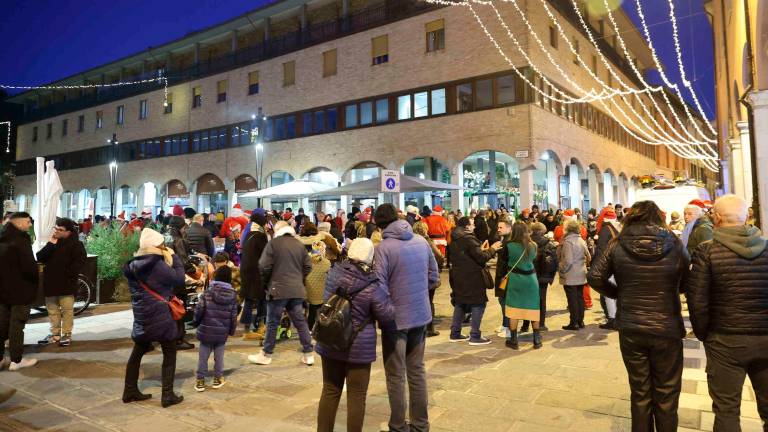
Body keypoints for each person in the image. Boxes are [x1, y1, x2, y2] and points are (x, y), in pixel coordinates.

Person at [588, 201, 687, 432]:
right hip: (666, 327)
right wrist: (673, 289)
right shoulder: (674, 242)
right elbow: (688, 276)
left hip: (632, 328)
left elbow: (594, 276)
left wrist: (618, 293)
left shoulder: (618, 243)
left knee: (640, 391)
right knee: (667, 392)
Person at [685, 194, 768, 430]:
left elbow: (697, 301)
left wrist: (705, 335)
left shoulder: (707, 251)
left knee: (727, 410)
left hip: (725, 340)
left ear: (718, 218)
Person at [315, 238, 395, 432]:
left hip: (331, 338)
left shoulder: (333, 273)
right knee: (357, 395)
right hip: (358, 345)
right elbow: (386, 315)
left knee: (330, 390)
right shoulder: (372, 284)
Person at [373, 203, 439, 432]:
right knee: (417, 371)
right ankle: (421, 425)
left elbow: (379, 287)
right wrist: (420, 293)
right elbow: (434, 276)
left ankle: (398, 426)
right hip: (420, 315)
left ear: (380, 225)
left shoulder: (384, 248)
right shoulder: (421, 241)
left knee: (395, 375)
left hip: (395, 319)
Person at [123, 228, 186, 407]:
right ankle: (167, 395)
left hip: (142, 314)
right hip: (160, 315)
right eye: (162, 244)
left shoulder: (135, 264)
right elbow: (179, 279)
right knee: (169, 352)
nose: (164, 247)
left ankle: (129, 390)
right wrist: (175, 258)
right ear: (156, 246)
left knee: (138, 351)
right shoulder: (156, 264)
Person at [249, 221, 314, 366]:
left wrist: (267, 283)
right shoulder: (299, 245)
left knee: (273, 322)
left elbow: (263, 266)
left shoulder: (273, 244)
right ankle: (308, 354)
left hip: (277, 289)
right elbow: (308, 266)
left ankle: (266, 354)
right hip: (297, 290)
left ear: (278, 230)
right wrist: (298, 277)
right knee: (300, 323)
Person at [36, 217, 87, 347]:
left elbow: (80, 262)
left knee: (67, 310)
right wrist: (50, 244)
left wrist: (68, 273)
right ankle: (55, 333)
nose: (57, 231)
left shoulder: (76, 244)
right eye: (56, 228)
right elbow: (40, 257)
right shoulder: (53, 242)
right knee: (52, 310)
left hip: (66, 283)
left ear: (68, 232)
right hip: (51, 282)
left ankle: (67, 333)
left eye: (60, 229)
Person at [447, 216, 499, 345]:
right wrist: (493, 249)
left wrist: (479, 249)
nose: (474, 226)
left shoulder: (454, 237)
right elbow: (481, 258)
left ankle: (455, 333)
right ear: (466, 226)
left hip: (458, 275)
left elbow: (466, 255)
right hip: (472, 276)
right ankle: (475, 335)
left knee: (460, 302)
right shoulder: (469, 239)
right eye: (472, 224)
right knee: (479, 303)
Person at [0, 212, 39, 371]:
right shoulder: (21, 240)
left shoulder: (2, 237)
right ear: (20, 223)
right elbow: (29, 267)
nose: (30, 225)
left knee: (1, 324)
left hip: (1, 290)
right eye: (28, 222)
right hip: (19, 290)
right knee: (17, 325)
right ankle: (16, 360)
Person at [194, 266, 238, 392]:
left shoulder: (207, 292)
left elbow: (199, 309)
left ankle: (200, 381)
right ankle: (218, 379)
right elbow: (233, 315)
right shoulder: (233, 295)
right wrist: (231, 330)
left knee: (203, 356)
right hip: (221, 332)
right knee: (219, 356)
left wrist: (196, 322)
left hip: (206, 331)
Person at [503, 222, 543, 350]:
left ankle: (514, 340)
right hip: (531, 280)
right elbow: (534, 260)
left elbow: (504, 263)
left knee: (513, 310)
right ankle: (536, 339)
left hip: (515, 279)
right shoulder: (533, 245)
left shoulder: (508, 245)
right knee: (533, 308)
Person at [521, 222, 556, 332]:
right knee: (541, 300)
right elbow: (554, 261)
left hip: (528, 275)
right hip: (542, 277)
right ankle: (541, 324)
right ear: (543, 231)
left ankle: (525, 325)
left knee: (527, 300)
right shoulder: (548, 243)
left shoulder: (526, 242)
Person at [239, 211, 269, 340]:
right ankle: (261, 325)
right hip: (257, 272)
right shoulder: (261, 236)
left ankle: (246, 328)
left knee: (249, 299)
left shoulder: (248, 234)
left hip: (245, 270)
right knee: (262, 298)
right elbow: (266, 255)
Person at [412, 220, 444, 337]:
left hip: (415, 276)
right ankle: (429, 328)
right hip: (428, 276)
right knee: (429, 301)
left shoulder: (410, 241)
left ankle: (418, 327)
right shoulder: (427, 242)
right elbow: (439, 257)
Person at [167, 216, 194, 350]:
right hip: (176, 280)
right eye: (184, 227)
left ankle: (169, 336)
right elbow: (183, 262)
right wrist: (195, 272)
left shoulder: (165, 237)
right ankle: (178, 339)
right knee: (179, 307)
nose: (185, 229)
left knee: (169, 308)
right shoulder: (178, 241)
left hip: (165, 278)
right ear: (180, 227)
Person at [558, 219, 591, 331]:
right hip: (581, 273)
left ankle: (574, 323)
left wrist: (561, 269)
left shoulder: (568, 242)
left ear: (567, 229)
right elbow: (589, 256)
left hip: (570, 274)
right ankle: (580, 321)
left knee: (572, 300)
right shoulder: (581, 240)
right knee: (579, 298)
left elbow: (568, 261)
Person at [298, 222, 332, 330]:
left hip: (307, 292)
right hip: (322, 294)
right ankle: (321, 328)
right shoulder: (327, 262)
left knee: (311, 310)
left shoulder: (306, 260)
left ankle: (309, 328)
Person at [594, 208, 621, 330]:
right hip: (616, 263)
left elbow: (601, 249)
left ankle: (612, 318)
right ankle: (616, 317)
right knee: (615, 291)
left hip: (608, 265)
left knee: (608, 294)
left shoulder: (605, 229)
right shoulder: (616, 228)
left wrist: (597, 265)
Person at [494, 217, 513, 338]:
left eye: (501, 227)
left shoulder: (509, 242)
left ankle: (508, 327)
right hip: (502, 275)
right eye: (498, 227)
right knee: (502, 300)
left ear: (509, 228)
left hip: (505, 277)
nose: (498, 229)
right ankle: (504, 324)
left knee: (505, 301)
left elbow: (507, 261)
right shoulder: (505, 240)